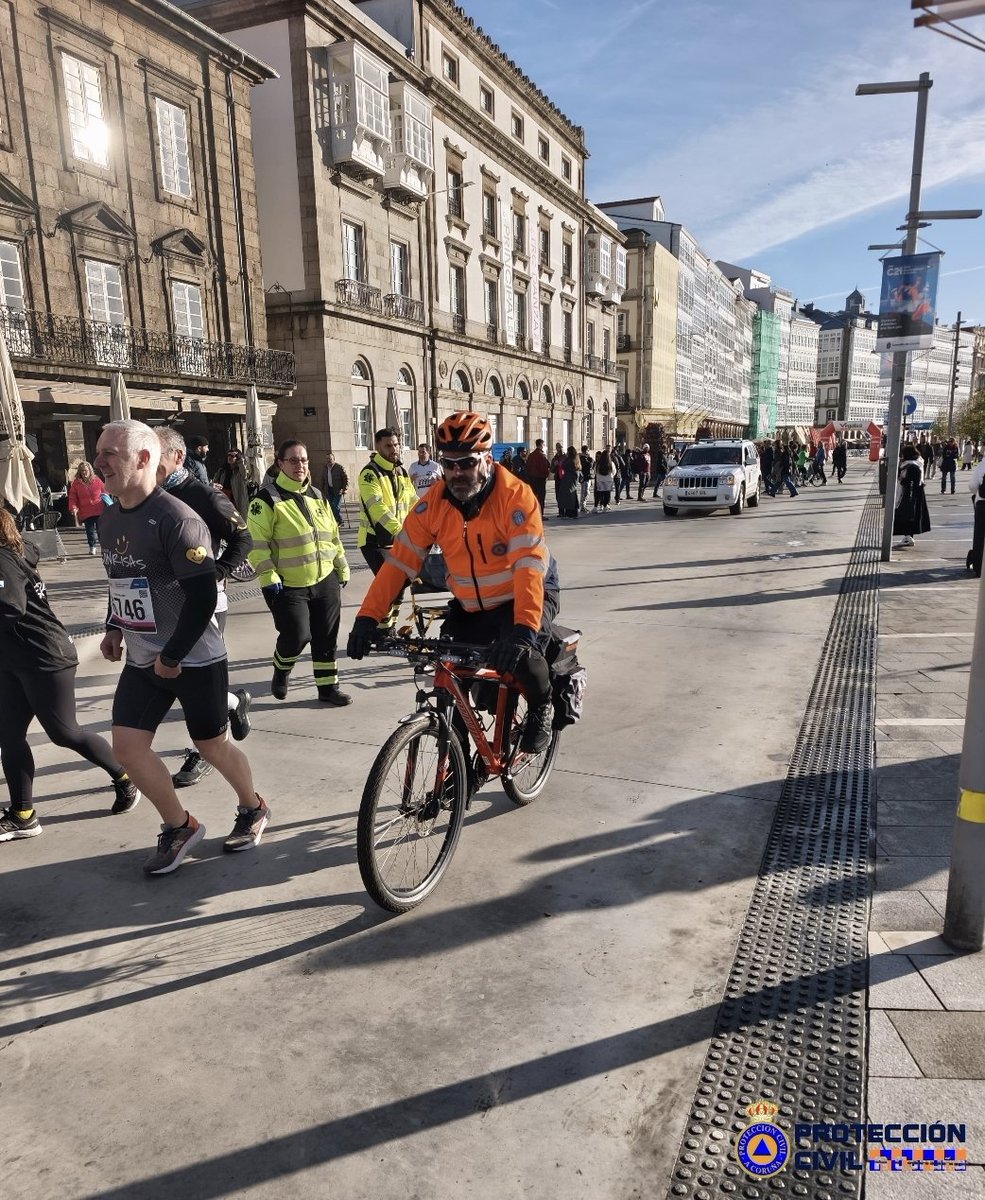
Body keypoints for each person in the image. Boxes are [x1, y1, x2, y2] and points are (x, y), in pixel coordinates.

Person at [93, 420, 269, 876]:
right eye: (99, 452)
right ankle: (180, 825)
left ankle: (252, 807)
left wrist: (172, 656)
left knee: (211, 745)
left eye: (110, 453)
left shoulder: (178, 518)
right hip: (143, 653)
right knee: (128, 749)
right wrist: (114, 624)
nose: (99, 462)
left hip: (195, 655)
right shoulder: (110, 516)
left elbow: (203, 598)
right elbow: (123, 580)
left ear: (145, 459)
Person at [347, 410, 554, 754]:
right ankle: (457, 768)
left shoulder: (516, 498)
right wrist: (368, 618)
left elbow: (528, 568)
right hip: (471, 605)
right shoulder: (433, 505)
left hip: (522, 594)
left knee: (524, 657)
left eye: (467, 463)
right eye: (449, 464)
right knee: (452, 679)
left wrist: (522, 632)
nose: (456, 473)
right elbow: (398, 564)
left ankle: (541, 707)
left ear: (487, 459)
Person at [0, 509, 140, 841]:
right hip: (12, 660)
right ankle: (23, 815)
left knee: (64, 733)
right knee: (8, 735)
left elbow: (10, 607)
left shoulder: (3, 560)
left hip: (44, 657)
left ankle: (126, 778)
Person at [155, 427, 254, 787]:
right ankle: (231, 702)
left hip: (205, 604)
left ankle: (203, 751)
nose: (147, 461)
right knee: (184, 681)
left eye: (157, 454)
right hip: (162, 605)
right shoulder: (145, 497)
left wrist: (219, 572)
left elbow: (244, 538)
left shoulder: (204, 496)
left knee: (193, 680)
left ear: (178, 457)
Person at [248, 439, 351, 705]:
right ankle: (282, 669)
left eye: (304, 460)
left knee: (326, 636)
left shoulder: (318, 496)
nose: (300, 466)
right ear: (279, 464)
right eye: (293, 460)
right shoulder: (266, 500)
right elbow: (256, 544)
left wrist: (341, 564)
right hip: (288, 584)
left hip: (324, 579)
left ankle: (328, 688)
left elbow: (333, 536)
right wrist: (267, 575)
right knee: (297, 635)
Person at [357, 427, 417, 630]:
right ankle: (382, 631)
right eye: (388, 446)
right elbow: (377, 508)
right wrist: (400, 530)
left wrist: (428, 520)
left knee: (400, 586)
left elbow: (413, 502)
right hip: (375, 541)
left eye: (396, 444)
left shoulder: (401, 471)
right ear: (378, 447)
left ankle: (388, 627)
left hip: (396, 540)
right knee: (389, 585)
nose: (394, 449)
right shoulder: (369, 474)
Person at [893, 442, 931, 549]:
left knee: (907, 515)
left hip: (909, 494)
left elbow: (910, 481)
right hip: (917, 493)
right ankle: (908, 536)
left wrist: (902, 479)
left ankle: (908, 537)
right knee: (912, 516)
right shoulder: (918, 463)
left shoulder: (911, 466)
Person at [67, 460, 108, 555]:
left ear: (90, 470)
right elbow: (72, 497)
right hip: (86, 511)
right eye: (82, 471)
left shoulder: (97, 480)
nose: (84, 473)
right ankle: (92, 546)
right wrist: (73, 507)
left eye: (85, 470)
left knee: (101, 530)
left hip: (99, 509)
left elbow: (105, 492)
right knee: (90, 531)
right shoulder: (76, 484)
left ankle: (104, 547)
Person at [212, 447, 250, 517]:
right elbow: (214, 480)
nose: (229, 457)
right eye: (228, 455)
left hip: (236, 498)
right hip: (224, 496)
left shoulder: (239, 471)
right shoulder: (223, 469)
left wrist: (240, 460)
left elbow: (245, 475)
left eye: (232, 456)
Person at [320, 452, 349, 524]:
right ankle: (340, 520)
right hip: (329, 489)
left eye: (330, 459)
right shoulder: (324, 468)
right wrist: (321, 490)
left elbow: (346, 479)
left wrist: (345, 489)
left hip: (338, 490)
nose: (328, 460)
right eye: (327, 459)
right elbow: (323, 479)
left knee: (336, 507)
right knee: (331, 506)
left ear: (334, 459)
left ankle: (336, 521)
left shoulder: (339, 467)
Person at [525, 438, 551, 516]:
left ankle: (533, 514)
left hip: (532, 479)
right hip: (540, 479)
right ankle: (540, 515)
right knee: (541, 498)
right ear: (541, 445)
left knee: (533, 497)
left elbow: (527, 466)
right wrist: (547, 474)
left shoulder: (531, 455)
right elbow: (544, 468)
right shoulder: (542, 455)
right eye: (544, 444)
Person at [554, 446, 581, 518]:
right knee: (572, 495)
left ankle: (570, 513)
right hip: (572, 479)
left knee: (568, 497)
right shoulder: (575, 459)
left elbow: (563, 465)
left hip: (568, 480)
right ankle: (573, 513)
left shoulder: (570, 460)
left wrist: (560, 462)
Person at [593, 447, 613, 512]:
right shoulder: (611, 463)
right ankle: (605, 507)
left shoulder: (598, 463)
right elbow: (614, 471)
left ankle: (596, 507)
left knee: (598, 494)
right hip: (608, 480)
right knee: (607, 493)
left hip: (600, 480)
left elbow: (595, 471)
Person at [578, 445, 593, 513]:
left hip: (586, 476)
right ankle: (582, 506)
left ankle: (583, 506)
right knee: (585, 492)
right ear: (585, 451)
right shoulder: (583, 458)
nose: (588, 452)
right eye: (588, 450)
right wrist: (591, 461)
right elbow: (589, 465)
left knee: (585, 492)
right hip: (585, 477)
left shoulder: (584, 458)